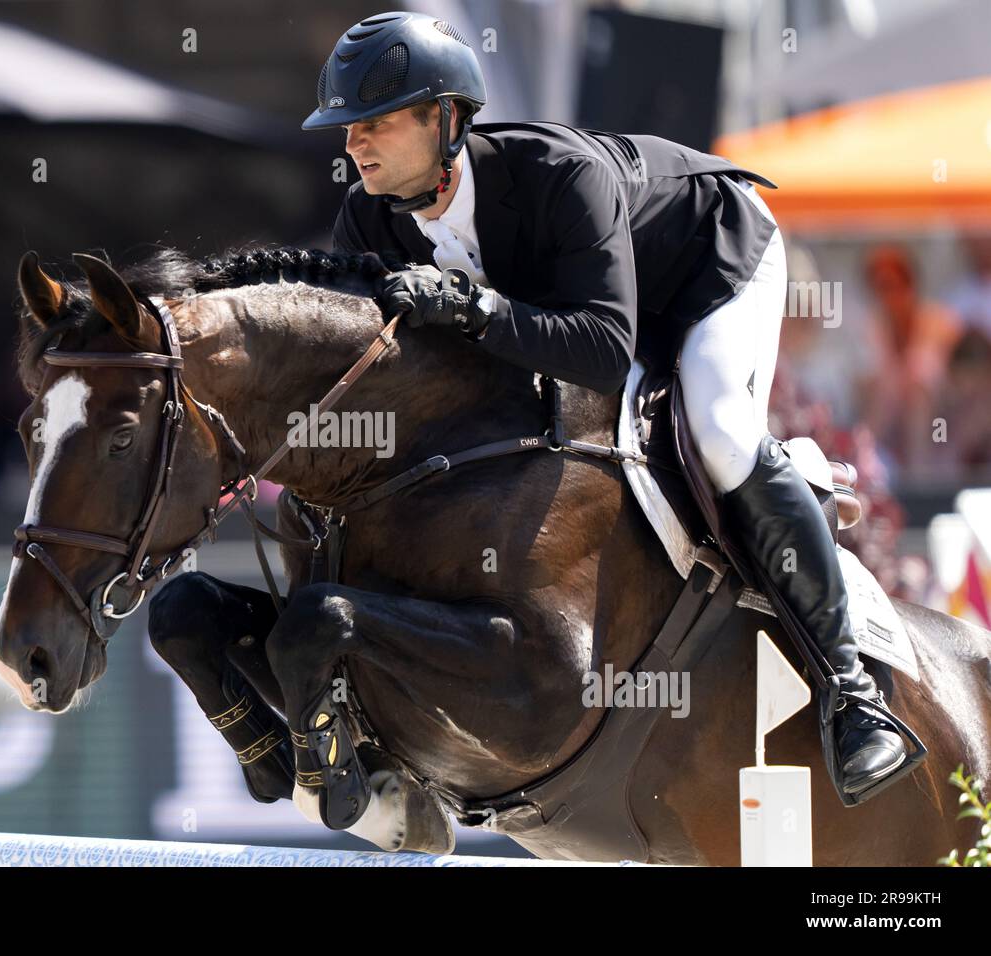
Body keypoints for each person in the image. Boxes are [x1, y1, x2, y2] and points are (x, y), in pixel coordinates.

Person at [301, 11, 923, 804]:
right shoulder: (368, 216)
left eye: (375, 123)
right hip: (591, 302)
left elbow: (598, 347)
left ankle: (852, 696)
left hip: (708, 267)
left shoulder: (558, 174)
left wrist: (474, 311)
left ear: (447, 117)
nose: (353, 144)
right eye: (346, 127)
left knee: (723, 435)